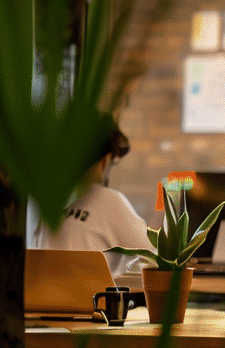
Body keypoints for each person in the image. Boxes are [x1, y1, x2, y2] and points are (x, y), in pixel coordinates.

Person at [30, 118, 150, 277]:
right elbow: (156, 257)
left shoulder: (47, 203)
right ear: (105, 160)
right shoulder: (109, 200)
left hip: (41, 301)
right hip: (90, 301)